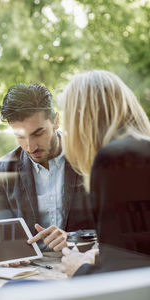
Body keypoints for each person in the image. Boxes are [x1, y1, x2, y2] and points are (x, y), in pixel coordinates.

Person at [60, 70, 150, 277]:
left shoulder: (115, 160)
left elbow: (121, 286)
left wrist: (79, 269)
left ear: (81, 114)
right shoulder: (141, 152)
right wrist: (106, 255)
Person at [0, 83, 93, 253]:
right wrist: (6, 250)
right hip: (31, 271)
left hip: (84, 267)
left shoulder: (90, 159)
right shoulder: (1, 172)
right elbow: (1, 240)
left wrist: (74, 240)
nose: (30, 147)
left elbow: (114, 229)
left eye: (38, 133)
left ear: (56, 121)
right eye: (20, 137)